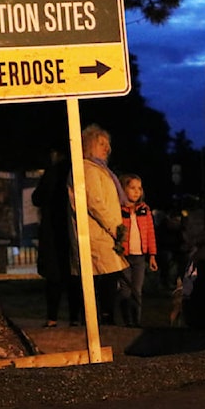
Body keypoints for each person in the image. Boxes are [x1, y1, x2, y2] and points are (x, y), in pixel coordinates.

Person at [68, 124, 129, 325]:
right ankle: (102, 318)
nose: (107, 148)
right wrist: (114, 228)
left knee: (106, 276)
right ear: (89, 145)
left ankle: (102, 317)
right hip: (97, 234)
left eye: (108, 144)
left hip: (102, 234)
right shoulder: (87, 169)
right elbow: (95, 202)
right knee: (104, 276)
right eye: (101, 143)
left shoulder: (98, 169)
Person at [32, 144, 82, 327]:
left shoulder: (52, 172)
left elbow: (37, 198)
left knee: (54, 277)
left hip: (52, 229)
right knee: (74, 275)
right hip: (72, 228)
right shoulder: (76, 170)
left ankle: (52, 317)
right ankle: (75, 318)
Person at [117, 173, 158, 327]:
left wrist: (152, 255)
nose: (136, 191)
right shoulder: (119, 210)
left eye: (139, 188)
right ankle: (127, 321)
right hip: (124, 256)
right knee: (125, 290)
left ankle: (136, 320)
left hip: (140, 257)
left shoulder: (144, 210)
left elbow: (150, 233)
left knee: (137, 290)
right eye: (132, 188)